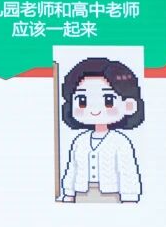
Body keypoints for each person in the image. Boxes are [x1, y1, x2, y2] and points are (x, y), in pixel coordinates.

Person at [59, 56, 145, 203]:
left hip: (111, 195)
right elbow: (72, 168)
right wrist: (68, 193)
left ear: (129, 106)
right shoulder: (80, 141)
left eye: (108, 101)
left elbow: (127, 171)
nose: (94, 109)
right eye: (82, 101)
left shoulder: (120, 141)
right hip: (81, 194)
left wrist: (130, 198)